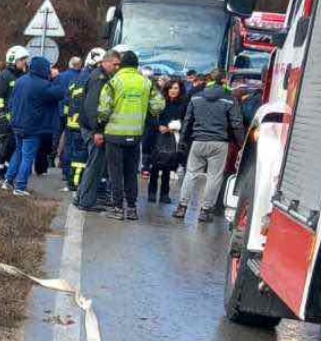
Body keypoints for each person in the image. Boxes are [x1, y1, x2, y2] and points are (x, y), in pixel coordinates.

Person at [95, 50, 164, 220]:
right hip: (135, 135)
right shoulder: (146, 83)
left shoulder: (114, 82)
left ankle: (118, 208)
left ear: (122, 64)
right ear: (136, 65)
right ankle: (132, 208)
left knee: (115, 172)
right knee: (131, 172)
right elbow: (158, 105)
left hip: (114, 134)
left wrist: (100, 125)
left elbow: (104, 109)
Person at [173, 68, 244, 223]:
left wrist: (183, 141)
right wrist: (242, 144)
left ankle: (181, 207)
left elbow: (187, 120)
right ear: (225, 81)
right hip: (219, 143)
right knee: (214, 177)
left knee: (191, 173)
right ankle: (205, 211)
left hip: (198, 141)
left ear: (208, 80)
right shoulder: (229, 99)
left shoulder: (196, 97)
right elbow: (236, 123)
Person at [71, 46, 122, 211]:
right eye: (115, 64)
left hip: (91, 127)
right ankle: (85, 201)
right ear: (105, 62)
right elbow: (93, 106)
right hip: (93, 129)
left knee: (93, 164)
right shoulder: (99, 79)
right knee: (94, 166)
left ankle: (81, 197)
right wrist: (98, 131)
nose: (117, 67)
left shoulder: (100, 76)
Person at [5, 54, 61, 195]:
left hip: (17, 123)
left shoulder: (20, 80)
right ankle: (20, 187)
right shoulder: (44, 85)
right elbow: (60, 93)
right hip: (32, 127)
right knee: (27, 156)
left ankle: (8, 180)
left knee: (18, 153)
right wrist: (55, 78)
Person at [59, 49, 100, 191]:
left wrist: (67, 117)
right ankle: (75, 183)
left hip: (72, 122)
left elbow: (67, 99)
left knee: (71, 151)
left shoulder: (79, 77)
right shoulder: (90, 79)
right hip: (81, 124)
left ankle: (70, 178)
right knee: (80, 155)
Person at [147, 77, 189, 204]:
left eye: (176, 88)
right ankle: (152, 193)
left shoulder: (183, 104)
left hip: (172, 137)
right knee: (155, 166)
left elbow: (186, 120)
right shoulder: (160, 101)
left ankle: (165, 194)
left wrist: (173, 128)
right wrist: (158, 126)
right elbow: (150, 116)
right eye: (171, 88)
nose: (173, 91)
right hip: (157, 136)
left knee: (168, 166)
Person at [0, 46, 28, 183]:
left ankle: (5, 174)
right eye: (23, 59)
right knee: (2, 147)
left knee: (11, 148)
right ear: (14, 60)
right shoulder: (4, 76)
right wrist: (1, 115)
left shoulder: (22, 76)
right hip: (5, 119)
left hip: (17, 120)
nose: (25, 62)